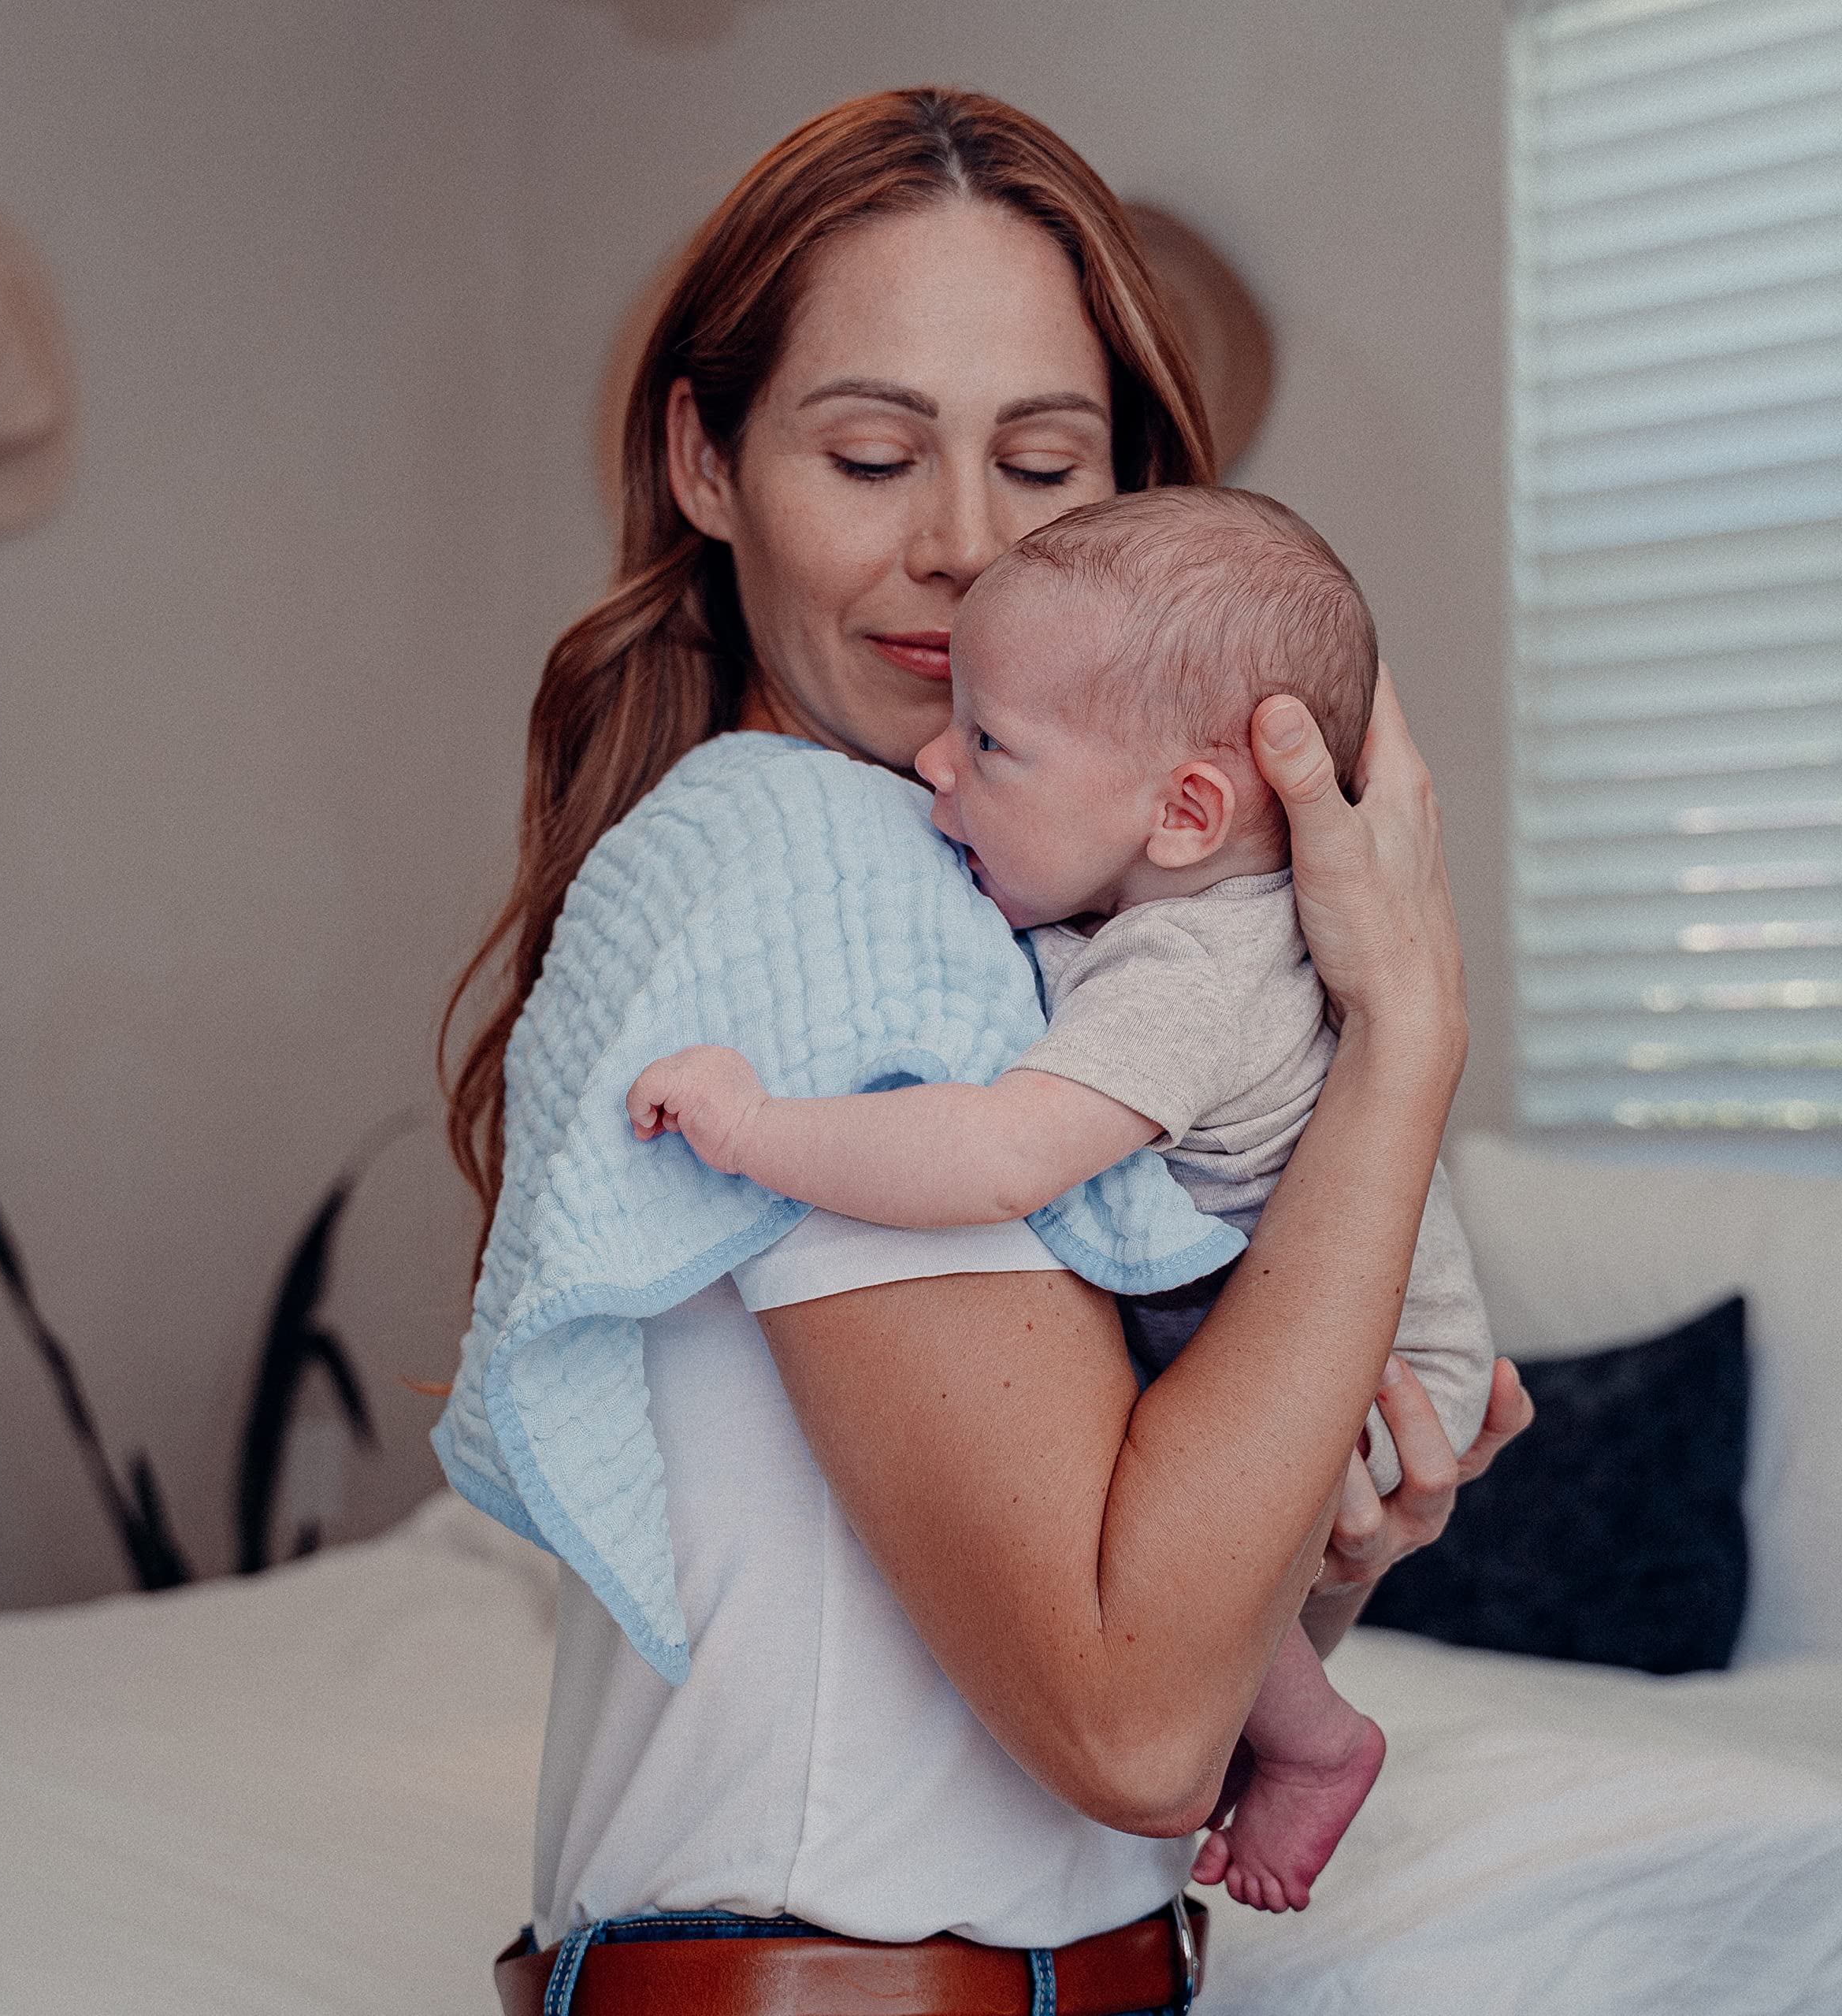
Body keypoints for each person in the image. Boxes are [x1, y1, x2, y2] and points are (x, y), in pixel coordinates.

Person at [439, 86, 1531, 2016]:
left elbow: (1165, 1678)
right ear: (704, 460)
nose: (960, 548)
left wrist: (1326, 1540)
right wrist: (1406, 1038)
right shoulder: (816, 860)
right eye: (869, 454)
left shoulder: (1031, 932)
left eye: (1041, 464)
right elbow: (1121, 1714)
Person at [626, 483, 1497, 1915]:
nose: (934, 767)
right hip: (1334, 1331)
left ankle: (1318, 1743)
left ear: (1187, 810)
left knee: (1174, 1601)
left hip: (1395, 1365)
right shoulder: (1160, 922)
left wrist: (753, 1126)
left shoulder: (1186, 973)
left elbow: (994, 1157)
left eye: (991, 744)